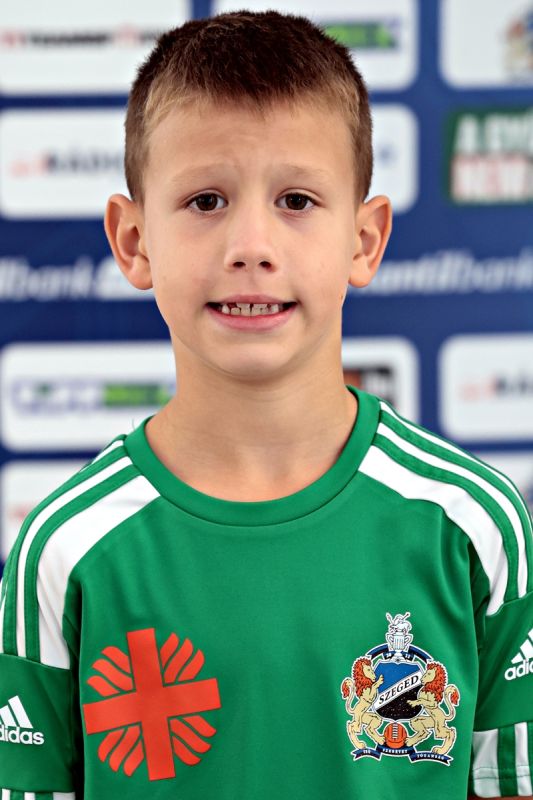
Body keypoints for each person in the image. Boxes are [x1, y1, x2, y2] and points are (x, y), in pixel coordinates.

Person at [0, 10, 531, 800]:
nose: (251, 245)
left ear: (364, 240)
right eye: (206, 200)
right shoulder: (66, 547)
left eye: (296, 200)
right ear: (134, 241)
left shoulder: (471, 522)